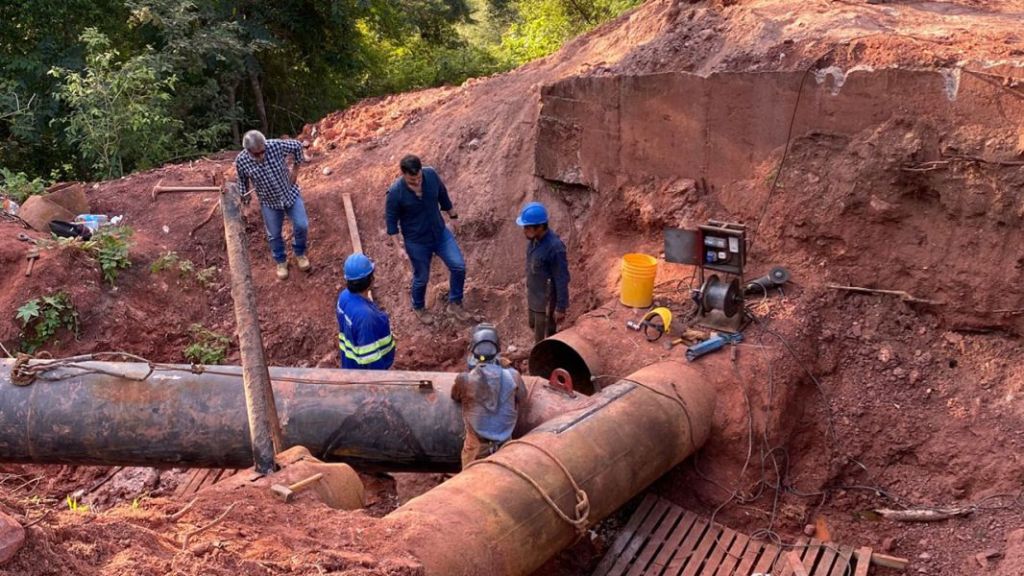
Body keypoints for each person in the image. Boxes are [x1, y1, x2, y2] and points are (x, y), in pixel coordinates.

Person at [385, 155, 471, 325]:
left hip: (440, 234)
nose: (417, 182)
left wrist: (453, 216)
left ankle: (455, 302)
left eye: (418, 177)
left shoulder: (430, 175)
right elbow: (391, 223)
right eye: (412, 179)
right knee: (422, 277)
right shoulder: (395, 193)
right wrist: (398, 247)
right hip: (416, 242)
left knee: (458, 266)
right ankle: (418, 306)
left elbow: (443, 196)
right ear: (402, 174)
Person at [235, 129, 310, 280]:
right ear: (248, 151)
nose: (261, 156)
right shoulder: (241, 161)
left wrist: (295, 169)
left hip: (290, 194)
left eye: (262, 151)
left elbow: (297, 145)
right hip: (269, 202)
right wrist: (245, 204)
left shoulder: (275, 145)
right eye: (256, 154)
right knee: (274, 235)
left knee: (302, 225)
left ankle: (300, 253)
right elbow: (243, 182)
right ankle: (281, 261)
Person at [451, 323, 527, 469]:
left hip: (477, 450)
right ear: (497, 351)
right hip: (506, 447)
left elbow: (455, 396)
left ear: (473, 351)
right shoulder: (514, 376)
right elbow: (522, 397)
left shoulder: (464, 380)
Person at [516, 201, 570, 344]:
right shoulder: (534, 240)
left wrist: (560, 307)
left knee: (544, 339)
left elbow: (562, 278)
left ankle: (543, 361)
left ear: (540, 227)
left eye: (528, 227)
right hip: (534, 298)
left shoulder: (555, 248)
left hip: (546, 305)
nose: (524, 231)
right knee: (534, 327)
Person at [336, 253, 395, 370]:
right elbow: (371, 359)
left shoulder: (344, 297)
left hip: (350, 364)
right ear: (370, 279)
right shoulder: (365, 317)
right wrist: (381, 380)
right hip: (365, 374)